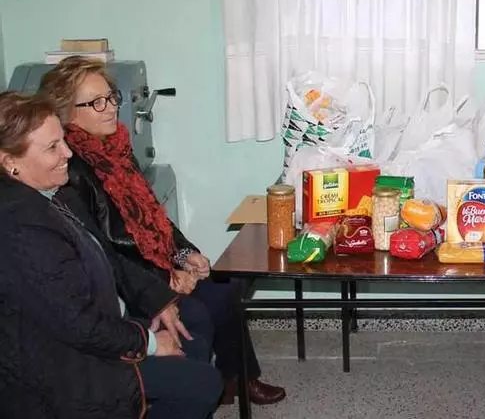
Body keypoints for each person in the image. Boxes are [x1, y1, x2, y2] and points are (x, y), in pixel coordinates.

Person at [38, 56, 287, 406]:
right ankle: (192, 387)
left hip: (153, 267)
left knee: (225, 287)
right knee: (199, 312)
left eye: (111, 97)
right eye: (96, 103)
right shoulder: (71, 172)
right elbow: (109, 253)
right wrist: (166, 279)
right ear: (66, 113)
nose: (111, 107)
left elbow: (153, 217)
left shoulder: (116, 149)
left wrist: (185, 254)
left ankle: (238, 380)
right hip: (132, 284)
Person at [0, 92, 222, 419]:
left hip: (99, 328)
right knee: (201, 383)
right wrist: (148, 342)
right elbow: (78, 325)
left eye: (63, 141)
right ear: (10, 163)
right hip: (62, 365)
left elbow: (110, 259)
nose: (68, 153)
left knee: (192, 337)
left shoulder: (56, 194)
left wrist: (158, 301)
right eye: (52, 147)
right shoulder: (20, 226)